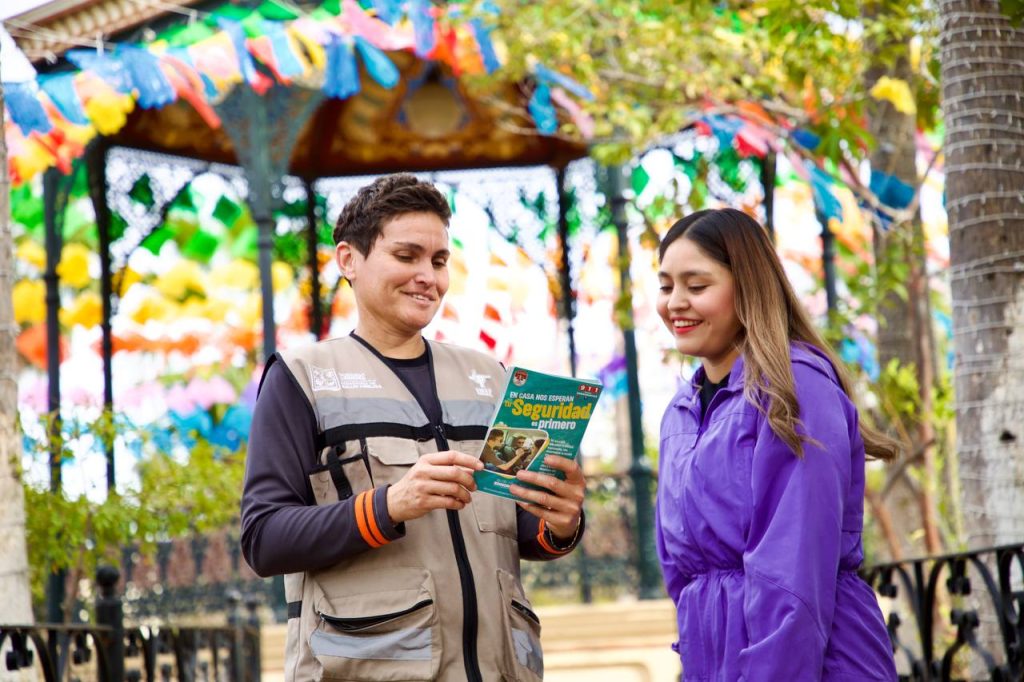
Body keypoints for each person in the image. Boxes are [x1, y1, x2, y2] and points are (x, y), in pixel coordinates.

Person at [240, 174, 585, 682]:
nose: (428, 276)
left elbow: (523, 530)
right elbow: (264, 538)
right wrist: (388, 506)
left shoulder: (491, 378)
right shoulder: (301, 378)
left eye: (439, 261)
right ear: (348, 260)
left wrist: (561, 521)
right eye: (407, 256)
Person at [654, 208, 899, 680]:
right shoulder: (678, 414)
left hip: (811, 662)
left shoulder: (794, 390)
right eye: (666, 287)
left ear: (748, 287)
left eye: (696, 286)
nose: (675, 303)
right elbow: (682, 576)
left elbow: (794, 579)